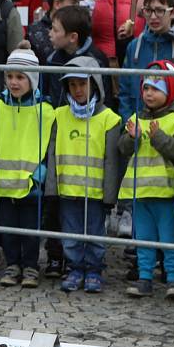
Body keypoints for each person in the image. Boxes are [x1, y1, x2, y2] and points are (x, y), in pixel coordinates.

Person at [0, 43, 55, 289]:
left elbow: (48, 148)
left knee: (30, 229)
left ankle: (31, 266)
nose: (13, 82)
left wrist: (38, 176)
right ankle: (12, 264)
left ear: (32, 79)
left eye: (20, 77)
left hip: (30, 183)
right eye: (9, 76)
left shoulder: (45, 110)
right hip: (2, 181)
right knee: (8, 228)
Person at [46, 56, 120, 294]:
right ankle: (75, 268)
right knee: (71, 235)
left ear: (94, 84)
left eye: (82, 84)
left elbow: (111, 160)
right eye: (72, 85)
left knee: (95, 235)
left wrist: (110, 195)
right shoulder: (59, 115)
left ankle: (94, 269)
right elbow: (53, 155)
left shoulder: (109, 118)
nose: (77, 90)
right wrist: (52, 188)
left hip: (95, 192)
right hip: (68, 190)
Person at [119, 61, 174, 299]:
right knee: (143, 238)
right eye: (146, 87)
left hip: (165, 193)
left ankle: (173, 279)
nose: (149, 93)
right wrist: (131, 138)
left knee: (169, 239)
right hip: (139, 192)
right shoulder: (135, 118)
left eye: (156, 88)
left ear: (170, 92)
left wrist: (158, 137)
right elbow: (123, 149)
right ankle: (144, 277)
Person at [118, 0, 174, 124]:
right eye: (148, 10)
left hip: (173, 130)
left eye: (160, 10)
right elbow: (124, 91)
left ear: (173, 12)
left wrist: (170, 125)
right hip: (136, 129)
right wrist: (127, 123)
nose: (153, 17)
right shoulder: (134, 46)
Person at [46, 5, 110, 108]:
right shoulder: (52, 58)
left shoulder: (97, 60)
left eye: (55, 30)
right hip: (59, 120)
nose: (50, 33)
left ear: (73, 37)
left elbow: (105, 98)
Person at [28, 0, 91, 66]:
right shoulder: (33, 32)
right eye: (73, 2)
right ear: (57, 4)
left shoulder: (82, 27)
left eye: (78, 3)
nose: (77, 7)